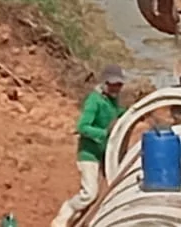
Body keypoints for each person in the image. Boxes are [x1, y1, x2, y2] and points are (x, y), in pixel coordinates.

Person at [50, 65, 127, 227]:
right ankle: (65, 214)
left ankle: (79, 221)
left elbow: (116, 114)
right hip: (89, 154)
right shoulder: (94, 101)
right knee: (90, 194)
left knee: (104, 192)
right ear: (104, 83)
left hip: (104, 153)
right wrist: (104, 134)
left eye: (119, 85)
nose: (116, 88)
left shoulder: (112, 100)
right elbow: (82, 127)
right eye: (112, 84)